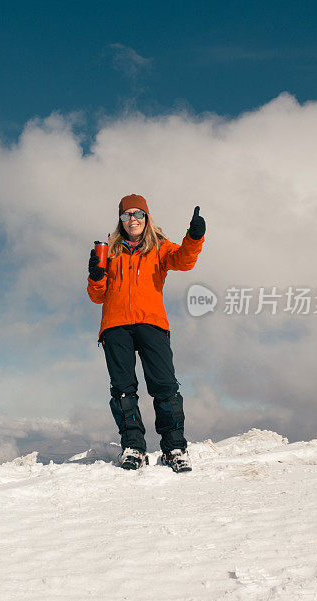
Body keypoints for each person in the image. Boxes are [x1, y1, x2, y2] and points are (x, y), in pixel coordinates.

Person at [87, 193, 205, 471]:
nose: (132, 219)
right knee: (123, 390)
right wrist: (95, 275)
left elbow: (185, 260)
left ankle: (174, 448)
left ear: (146, 217)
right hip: (115, 326)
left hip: (152, 323)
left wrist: (195, 236)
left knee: (165, 386)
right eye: (126, 214)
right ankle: (133, 448)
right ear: (120, 220)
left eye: (138, 213)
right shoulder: (110, 251)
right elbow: (97, 295)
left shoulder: (159, 247)